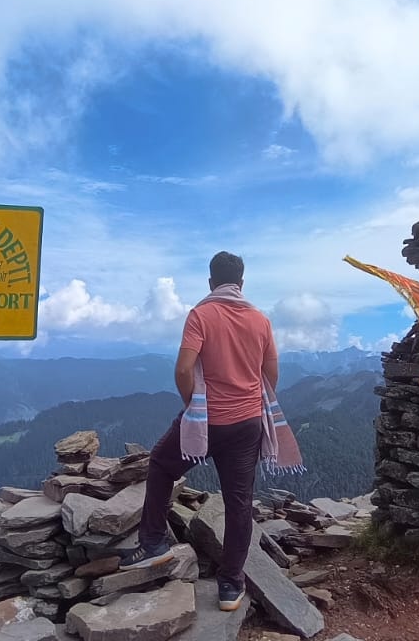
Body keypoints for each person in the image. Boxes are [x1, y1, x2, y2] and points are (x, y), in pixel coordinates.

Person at [118, 251, 279, 612]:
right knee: (239, 503)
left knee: (161, 463)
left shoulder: (201, 314)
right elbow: (271, 375)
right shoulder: (261, 320)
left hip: (209, 419)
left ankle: (154, 543)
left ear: (211, 282)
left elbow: (183, 369)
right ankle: (230, 586)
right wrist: (250, 399)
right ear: (241, 283)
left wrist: (195, 406)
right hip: (248, 423)